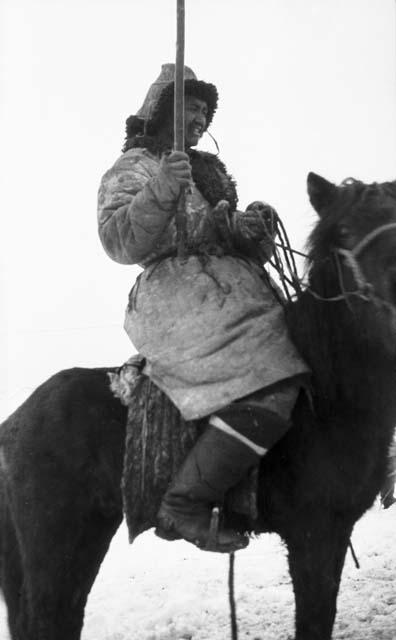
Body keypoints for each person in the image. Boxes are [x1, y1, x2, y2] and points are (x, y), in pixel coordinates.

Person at [97, 63, 309, 553]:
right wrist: (162, 187)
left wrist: (246, 228)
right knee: (273, 378)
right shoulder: (133, 168)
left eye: (203, 111)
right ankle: (186, 502)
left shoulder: (204, 174)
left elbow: (216, 231)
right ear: (161, 110)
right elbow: (120, 240)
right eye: (189, 107)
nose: (199, 118)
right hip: (172, 293)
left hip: (228, 284)